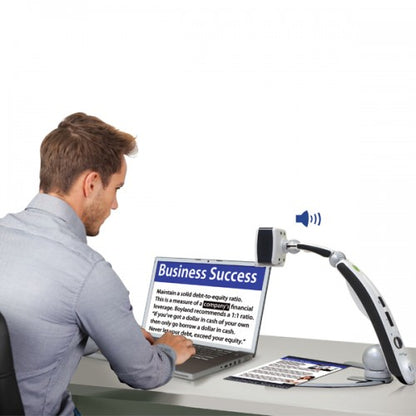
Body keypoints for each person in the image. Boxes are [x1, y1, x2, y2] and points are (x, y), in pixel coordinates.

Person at [0, 113, 196, 415]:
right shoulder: (88, 273)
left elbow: (35, 329)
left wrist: (110, 335)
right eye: (116, 188)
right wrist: (169, 350)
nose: (115, 204)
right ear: (92, 183)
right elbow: (143, 373)